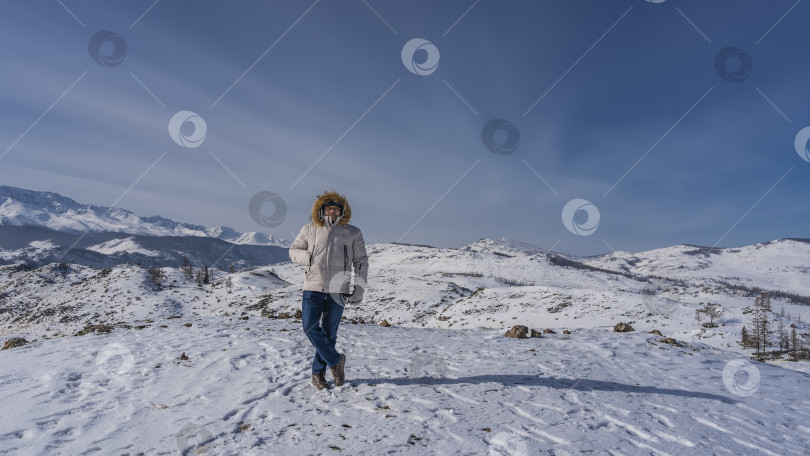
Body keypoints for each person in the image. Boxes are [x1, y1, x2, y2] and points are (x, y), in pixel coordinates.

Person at [289, 191, 368, 390]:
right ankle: (335, 361)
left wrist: (359, 287)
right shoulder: (309, 229)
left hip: (338, 290)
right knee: (309, 327)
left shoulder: (353, 232)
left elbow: (361, 261)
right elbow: (293, 251)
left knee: (329, 334)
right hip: (313, 288)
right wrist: (308, 257)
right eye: (328, 208)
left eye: (336, 209)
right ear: (321, 210)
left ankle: (318, 375)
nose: (332, 212)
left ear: (342, 211)